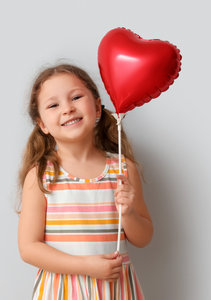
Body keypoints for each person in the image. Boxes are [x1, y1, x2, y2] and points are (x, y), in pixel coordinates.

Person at [17, 63, 153, 299]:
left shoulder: (122, 169)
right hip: (62, 291)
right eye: (53, 105)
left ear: (98, 108)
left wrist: (129, 213)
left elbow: (144, 237)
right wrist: (86, 266)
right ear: (42, 125)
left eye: (76, 97)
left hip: (115, 291)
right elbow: (29, 248)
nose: (68, 108)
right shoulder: (41, 175)